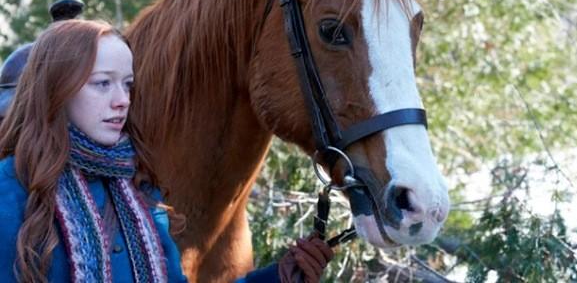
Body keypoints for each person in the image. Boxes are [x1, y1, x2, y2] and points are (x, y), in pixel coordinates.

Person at [0, 19, 333, 282]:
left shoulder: (138, 192)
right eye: (103, 83)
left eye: (127, 84)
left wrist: (278, 278)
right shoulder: (12, 190)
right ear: (57, 89)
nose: (122, 100)